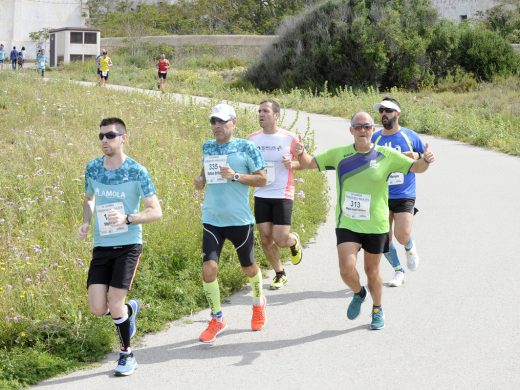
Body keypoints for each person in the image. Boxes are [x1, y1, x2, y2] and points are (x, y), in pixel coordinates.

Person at [296, 112, 434, 330]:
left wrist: (425, 160)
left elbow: (416, 168)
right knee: (346, 269)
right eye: (358, 127)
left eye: (367, 127)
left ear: (373, 130)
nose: (362, 130)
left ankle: (377, 308)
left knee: (372, 272)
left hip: (376, 225)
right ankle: (359, 293)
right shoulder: (339, 154)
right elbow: (308, 164)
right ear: (351, 130)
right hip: (348, 223)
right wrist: (300, 151)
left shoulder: (386, 154)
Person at [77, 117, 162, 376]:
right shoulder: (93, 168)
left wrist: (128, 217)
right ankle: (129, 311)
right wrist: (85, 222)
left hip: (128, 244)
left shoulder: (138, 171)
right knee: (97, 308)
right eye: (101, 136)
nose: (105, 140)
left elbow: (156, 211)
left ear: (123, 138)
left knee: (114, 302)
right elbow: (89, 199)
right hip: (102, 246)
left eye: (111, 135)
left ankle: (127, 355)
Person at [194, 103, 267, 343]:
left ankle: (258, 303)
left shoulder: (247, 147)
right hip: (212, 218)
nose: (216, 126)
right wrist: (201, 180)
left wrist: (235, 176)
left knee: (249, 268)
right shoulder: (207, 146)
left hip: (239, 220)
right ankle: (217, 318)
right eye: (213, 121)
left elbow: (262, 179)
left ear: (233, 123)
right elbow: (205, 172)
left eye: (221, 121)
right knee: (209, 269)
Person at [247, 99, 303, 290]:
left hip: (282, 193)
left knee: (280, 238)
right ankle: (280, 273)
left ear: (276, 116)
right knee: (265, 238)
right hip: (261, 193)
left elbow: (307, 162)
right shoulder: (252, 139)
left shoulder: (289, 138)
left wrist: (294, 163)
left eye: (265, 111)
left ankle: (293, 240)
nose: (261, 115)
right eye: (259, 111)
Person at [372, 97, 426, 287]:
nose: (384, 114)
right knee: (383, 239)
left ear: (397, 113)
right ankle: (398, 271)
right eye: (381, 111)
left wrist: (419, 155)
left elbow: (424, 156)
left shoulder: (409, 136)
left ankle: (410, 249)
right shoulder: (375, 138)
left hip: (404, 192)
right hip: (381, 194)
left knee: (402, 235)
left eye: (388, 110)